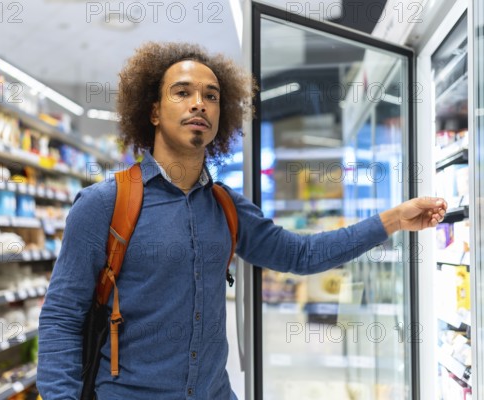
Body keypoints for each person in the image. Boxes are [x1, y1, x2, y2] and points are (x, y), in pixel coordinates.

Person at [37, 42, 446, 400]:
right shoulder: (104, 203)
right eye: (182, 92)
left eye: (211, 95)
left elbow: (300, 254)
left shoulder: (226, 205)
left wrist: (393, 219)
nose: (199, 102)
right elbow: (60, 317)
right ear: (154, 112)